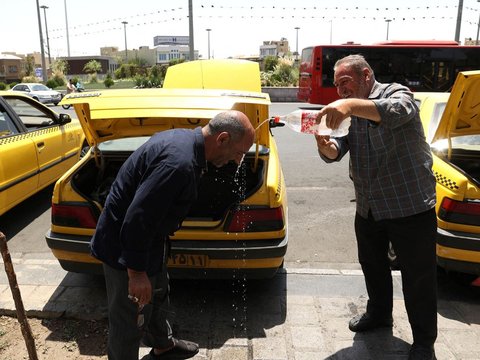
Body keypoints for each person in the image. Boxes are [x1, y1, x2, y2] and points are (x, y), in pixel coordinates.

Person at [90, 110, 255, 360]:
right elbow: (138, 218)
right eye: (239, 153)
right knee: (129, 318)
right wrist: (136, 273)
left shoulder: (187, 142)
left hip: (149, 240)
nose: (237, 160)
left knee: (157, 293)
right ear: (222, 139)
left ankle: (163, 346)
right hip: (123, 246)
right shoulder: (178, 164)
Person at [314, 55, 437, 360]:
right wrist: (322, 144)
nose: (341, 90)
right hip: (369, 206)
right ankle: (380, 314)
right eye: (337, 84)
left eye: (346, 82)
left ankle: (424, 342)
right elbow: (336, 151)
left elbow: (398, 112)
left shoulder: (396, 94)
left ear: (366, 75)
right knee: (373, 266)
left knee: (417, 277)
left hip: (409, 206)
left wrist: (349, 106)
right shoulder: (350, 111)